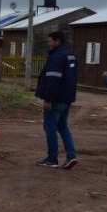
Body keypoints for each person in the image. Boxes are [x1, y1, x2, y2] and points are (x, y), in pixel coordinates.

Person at [35, 31, 80, 170]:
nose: (48, 44)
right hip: (67, 98)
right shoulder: (70, 55)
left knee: (50, 127)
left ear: (57, 41)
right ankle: (71, 155)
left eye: (49, 41)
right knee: (63, 126)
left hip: (56, 99)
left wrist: (48, 99)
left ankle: (52, 158)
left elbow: (53, 79)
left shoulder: (56, 57)